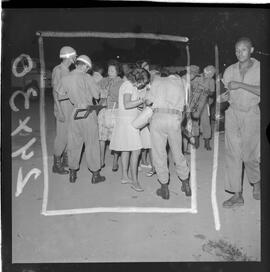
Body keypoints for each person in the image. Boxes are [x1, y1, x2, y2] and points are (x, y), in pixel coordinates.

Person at [219, 37, 260, 208]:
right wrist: (223, 97)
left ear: (251, 50)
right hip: (233, 113)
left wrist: (241, 85)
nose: (239, 53)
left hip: (251, 113)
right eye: (237, 50)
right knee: (233, 154)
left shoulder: (260, 69)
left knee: (250, 156)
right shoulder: (229, 70)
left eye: (243, 49)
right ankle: (237, 194)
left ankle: (256, 183)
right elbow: (225, 92)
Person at [56, 55, 105, 184]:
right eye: (87, 68)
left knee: (74, 144)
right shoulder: (87, 77)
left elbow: (60, 94)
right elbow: (96, 95)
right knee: (92, 144)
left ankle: (72, 175)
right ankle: (95, 175)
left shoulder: (65, 78)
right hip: (88, 113)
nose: (87, 70)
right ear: (84, 66)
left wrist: (74, 95)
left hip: (75, 112)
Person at [145, 72, 191, 200]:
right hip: (174, 118)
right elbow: (186, 105)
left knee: (159, 154)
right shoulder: (181, 83)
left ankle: (164, 188)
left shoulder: (157, 81)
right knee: (178, 152)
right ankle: (185, 184)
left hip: (158, 118)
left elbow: (148, 101)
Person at [109, 68, 150, 192]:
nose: (144, 83)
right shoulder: (128, 85)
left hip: (126, 121)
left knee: (125, 150)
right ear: (139, 78)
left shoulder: (130, 85)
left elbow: (129, 104)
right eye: (144, 81)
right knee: (136, 151)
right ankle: (134, 181)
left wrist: (139, 104)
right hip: (128, 123)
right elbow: (127, 104)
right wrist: (142, 100)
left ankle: (125, 176)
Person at [51, 46, 77, 175]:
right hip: (63, 107)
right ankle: (56, 165)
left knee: (68, 135)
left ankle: (65, 159)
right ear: (69, 57)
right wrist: (59, 111)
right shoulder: (59, 70)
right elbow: (56, 92)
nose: (75, 58)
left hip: (69, 106)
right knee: (61, 136)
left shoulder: (67, 70)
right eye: (74, 56)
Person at [97, 60, 123, 171]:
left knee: (115, 140)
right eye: (108, 69)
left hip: (115, 112)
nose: (109, 72)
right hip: (103, 111)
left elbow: (121, 98)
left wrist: (109, 92)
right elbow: (96, 90)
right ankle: (101, 160)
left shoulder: (121, 83)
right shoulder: (103, 80)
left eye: (112, 70)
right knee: (101, 138)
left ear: (117, 71)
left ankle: (115, 161)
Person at [190, 65, 216, 150]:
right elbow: (189, 88)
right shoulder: (196, 77)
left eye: (213, 74)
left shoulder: (212, 80)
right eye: (210, 73)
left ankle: (207, 143)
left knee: (206, 123)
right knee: (195, 123)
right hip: (194, 103)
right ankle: (196, 142)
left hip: (204, 104)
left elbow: (212, 93)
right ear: (205, 71)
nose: (212, 75)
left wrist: (207, 91)